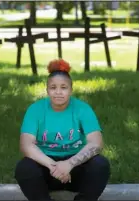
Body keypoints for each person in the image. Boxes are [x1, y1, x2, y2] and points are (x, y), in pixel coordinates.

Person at [14, 59, 110, 201]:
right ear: (47, 90)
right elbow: (26, 145)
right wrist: (55, 167)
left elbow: (96, 144)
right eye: (53, 88)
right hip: (46, 168)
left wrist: (69, 164)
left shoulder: (82, 109)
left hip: (76, 168)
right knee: (24, 168)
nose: (58, 92)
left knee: (100, 164)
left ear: (71, 89)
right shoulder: (35, 109)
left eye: (63, 87)